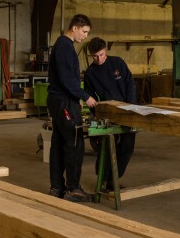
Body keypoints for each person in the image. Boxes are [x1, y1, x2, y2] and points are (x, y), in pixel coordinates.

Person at [47, 14, 97, 202]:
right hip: (65, 102)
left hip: (58, 101)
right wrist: (86, 97)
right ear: (75, 27)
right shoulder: (65, 46)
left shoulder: (62, 46)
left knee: (59, 144)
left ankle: (57, 188)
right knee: (75, 144)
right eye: (84, 32)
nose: (85, 36)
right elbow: (67, 80)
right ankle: (73, 188)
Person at [83, 37, 136, 191]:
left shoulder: (117, 63)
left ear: (105, 50)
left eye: (101, 54)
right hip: (107, 114)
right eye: (94, 56)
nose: (98, 59)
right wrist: (97, 112)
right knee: (106, 148)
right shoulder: (90, 73)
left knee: (127, 147)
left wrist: (132, 107)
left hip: (127, 111)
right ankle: (103, 180)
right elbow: (89, 96)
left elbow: (130, 83)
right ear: (90, 55)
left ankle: (114, 179)